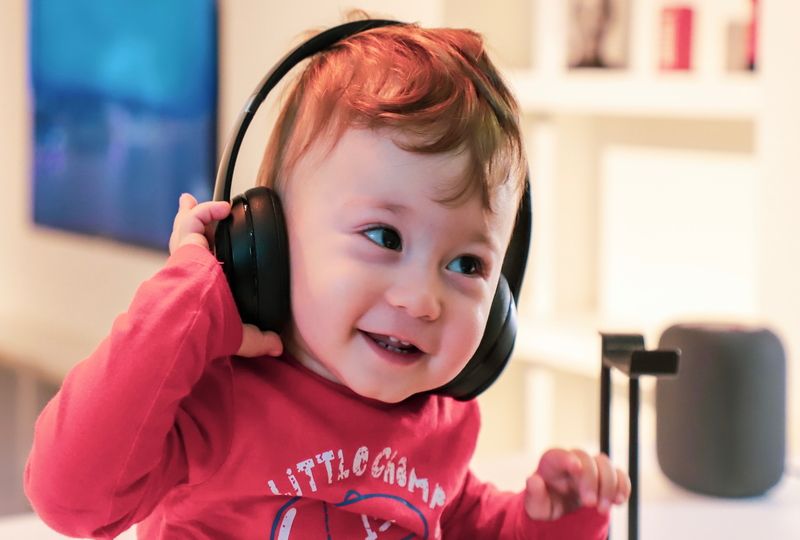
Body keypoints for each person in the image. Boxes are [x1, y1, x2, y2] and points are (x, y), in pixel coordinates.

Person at [24, 17, 630, 539]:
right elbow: (69, 496)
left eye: (467, 264)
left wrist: (549, 518)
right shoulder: (222, 398)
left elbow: (461, 517)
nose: (422, 300)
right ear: (268, 244)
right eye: (383, 237)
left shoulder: (439, 421)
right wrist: (187, 301)